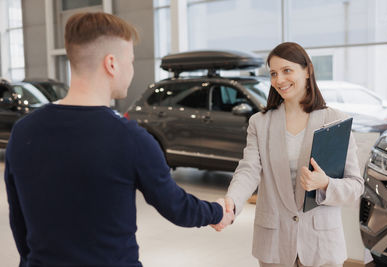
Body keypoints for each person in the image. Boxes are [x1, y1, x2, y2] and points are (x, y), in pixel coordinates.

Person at [4, 12, 233, 267]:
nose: (132, 69)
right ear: (111, 64)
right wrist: (217, 211)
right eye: (131, 61)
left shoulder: (23, 132)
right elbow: (176, 207)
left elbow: (19, 224)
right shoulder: (131, 139)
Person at [213, 42, 364, 266]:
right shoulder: (260, 123)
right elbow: (248, 170)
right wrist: (231, 203)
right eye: (273, 73)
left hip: (321, 245)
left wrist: (325, 184)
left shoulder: (334, 121)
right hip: (274, 242)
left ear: (308, 70)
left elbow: (355, 186)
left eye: (287, 71)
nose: (279, 80)